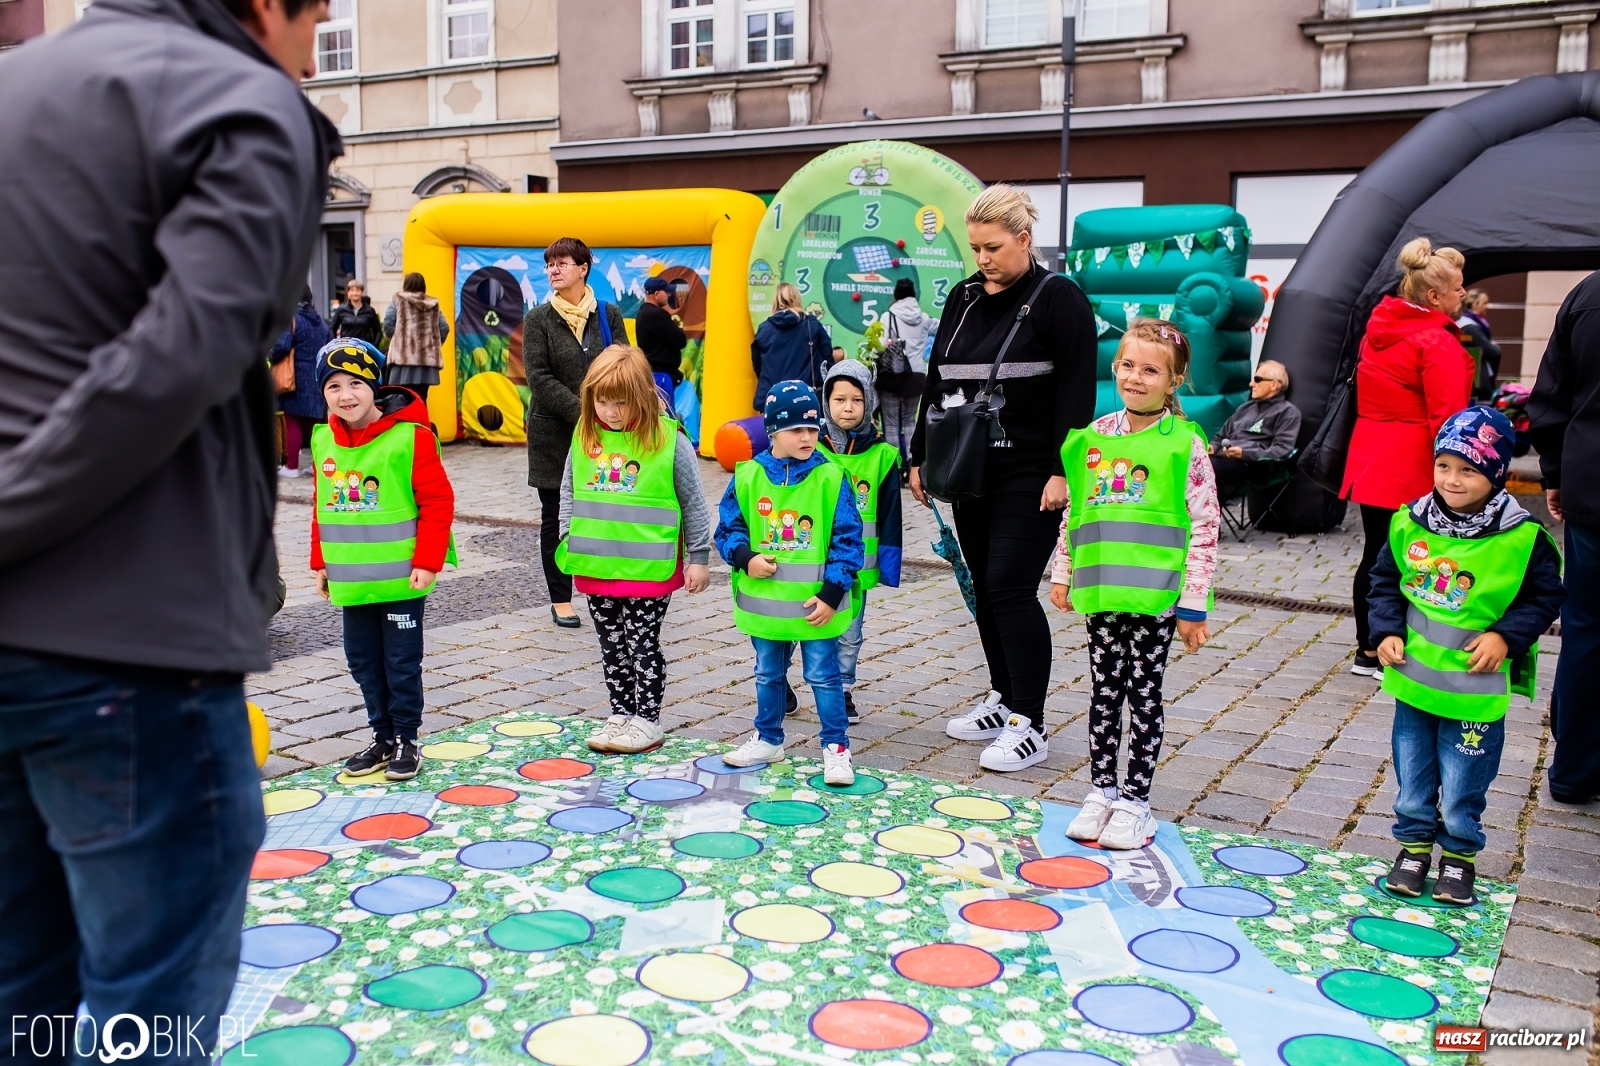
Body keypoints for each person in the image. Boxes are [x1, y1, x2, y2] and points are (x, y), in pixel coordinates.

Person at [0, 0, 340, 1057]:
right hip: (128, 647)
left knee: (24, 995)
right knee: (150, 1013)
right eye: (319, 8)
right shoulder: (242, 102)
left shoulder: (19, 86)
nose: (323, 25)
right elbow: (176, 360)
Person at [908, 184, 1098, 772]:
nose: (983, 259)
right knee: (986, 588)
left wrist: (1062, 470)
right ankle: (1002, 696)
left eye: (993, 247)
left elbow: (1076, 393)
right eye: (975, 248)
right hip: (969, 466)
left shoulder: (1057, 297)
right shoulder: (963, 297)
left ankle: (1030, 723)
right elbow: (937, 379)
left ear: (1024, 239)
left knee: (1012, 587)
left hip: (1030, 470)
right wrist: (918, 454)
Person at [1369, 407, 1563, 903]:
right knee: (1412, 773)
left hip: (1475, 691)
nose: (1452, 480)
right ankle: (1412, 846)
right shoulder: (1409, 524)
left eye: (1469, 469)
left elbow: (1544, 597)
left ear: (1497, 473)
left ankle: (1458, 855)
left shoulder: (1524, 538)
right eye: (1444, 466)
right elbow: (1385, 583)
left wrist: (1506, 636)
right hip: (1414, 683)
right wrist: (1386, 630)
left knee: (1463, 778)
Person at [1049, 321, 1219, 848]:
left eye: (1151, 370)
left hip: (1157, 598)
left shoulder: (1184, 445)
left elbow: (1205, 526)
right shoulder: (1094, 437)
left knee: (1143, 696)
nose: (1136, 377)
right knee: (1103, 694)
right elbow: (1078, 510)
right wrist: (1063, 571)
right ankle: (1101, 791)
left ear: (1174, 381)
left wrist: (1193, 604)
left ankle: (1135, 802)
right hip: (1103, 595)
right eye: (1128, 365)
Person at [311, 339, 456, 783]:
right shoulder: (323, 441)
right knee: (361, 659)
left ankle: (407, 739)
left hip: (401, 579)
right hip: (352, 580)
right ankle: (382, 737)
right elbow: (322, 506)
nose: (345, 395)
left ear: (375, 387)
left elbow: (437, 501)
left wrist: (428, 561)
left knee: (400, 660)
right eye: (333, 386)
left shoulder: (410, 438)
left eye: (356, 383)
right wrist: (321, 563)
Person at [556, 345, 711, 755]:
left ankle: (647, 718)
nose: (609, 411)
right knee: (611, 644)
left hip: (648, 568)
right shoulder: (585, 434)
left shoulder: (668, 440)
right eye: (602, 401)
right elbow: (569, 490)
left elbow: (693, 500)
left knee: (642, 643)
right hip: (596, 562)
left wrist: (699, 558)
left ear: (641, 396)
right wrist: (564, 537)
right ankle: (620, 713)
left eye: (619, 402)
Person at [715, 381, 864, 786]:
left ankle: (835, 747)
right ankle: (768, 738)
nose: (807, 437)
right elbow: (728, 529)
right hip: (766, 610)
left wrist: (832, 593)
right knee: (767, 674)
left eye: (813, 428)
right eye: (796, 429)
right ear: (773, 432)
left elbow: (848, 541)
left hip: (817, 608)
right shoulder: (747, 476)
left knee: (824, 677)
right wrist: (746, 558)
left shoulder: (832, 477)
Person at [1341, 237, 1474, 681]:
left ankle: (1367, 647)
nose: (1464, 294)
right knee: (1415, 557)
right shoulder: (1435, 343)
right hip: (1413, 462)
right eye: (1458, 288)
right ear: (1433, 296)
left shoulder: (1379, 330)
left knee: (1375, 552)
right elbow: (1448, 420)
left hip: (1371, 456)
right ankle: (1395, 648)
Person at [525, 237, 630, 629]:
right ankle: (561, 597)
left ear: (583, 268)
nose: (554, 270)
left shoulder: (608, 313)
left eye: (562, 263)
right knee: (555, 515)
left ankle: (608, 585)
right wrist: (586, 412)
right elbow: (539, 378)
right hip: (554, 435)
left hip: (608, 433)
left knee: (605, 508)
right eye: (549, 265)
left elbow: (624, 364)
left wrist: (610, 414)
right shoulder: (538, 319)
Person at [1529, 268, 1600, 804]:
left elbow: (1550, 396)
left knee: (1587, 630)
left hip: (1592, 484)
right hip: (1587, 486)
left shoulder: (1588, 294)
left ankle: (1575, 769)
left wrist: (1555, 473)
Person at [818, 359, 904, 725]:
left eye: (856, 399)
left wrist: (889, 564)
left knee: (850, 633)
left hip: (856, 570)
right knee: (797, 626)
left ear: (868, 402)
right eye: (839, 399)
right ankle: (780, 684)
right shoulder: (811, 448)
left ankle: (843, 688)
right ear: (826, 402)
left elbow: (890, 514)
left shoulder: (883, 455)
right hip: (810, 563)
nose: (847, 408)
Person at [1208, 359, 1302, 501]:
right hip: (1224, 460)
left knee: (1209, 468)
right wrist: (1213, 447)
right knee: (1191, 463)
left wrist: (1244, 453)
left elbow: (1281, 450)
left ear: (1274, 385)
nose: (1252, 384)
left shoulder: (1288, 412)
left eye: (1257, 379)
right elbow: (1220, 437)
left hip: (1254, 468)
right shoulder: (1245, 408)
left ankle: (1208, 520)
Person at [272, 284, 332, 477]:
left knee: (292, 420)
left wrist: (271, 356)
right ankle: (316, 466)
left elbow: (281, 346)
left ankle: (291, 467)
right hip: (316, 377)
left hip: (295, 377)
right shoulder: (321, 322)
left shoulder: (292, 319)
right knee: (314, 425)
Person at [878, 278, 934, 464]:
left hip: (893, 375)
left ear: (896, 295)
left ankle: (896, 465)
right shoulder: (924, 318)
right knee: (910, 420)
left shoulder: (888, 316)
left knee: (892, 423)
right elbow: (944, 327)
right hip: (917, 376)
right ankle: (912, 463)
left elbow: (881, 344)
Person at [751, 283, 833, 407]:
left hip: (772, 400)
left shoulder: (764, 329)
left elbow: (758, 366)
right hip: (805, 398)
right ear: (797, 299)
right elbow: (827, 362)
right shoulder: (811, 325)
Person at [383, 271, 449, 405]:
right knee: (421, 398)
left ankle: (404, 425)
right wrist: (433, 345)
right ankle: (420, 424)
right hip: (426, 362)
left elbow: (388, 323)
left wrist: (397, 341)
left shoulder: (398, 300)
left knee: (400, 399)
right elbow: (444, 328)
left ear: (406, 285)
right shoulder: (433, 304)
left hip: (402, 361)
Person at [635, 276, 688, 387]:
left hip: (653, 374)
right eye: (666, 292)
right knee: (664, 405)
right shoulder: (656, 315)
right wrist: (668, 312)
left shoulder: (643, 312)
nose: (669, 295)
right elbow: (681, 340)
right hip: (661, 376)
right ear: (657, 294)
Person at [1456, 290, 1501, 401]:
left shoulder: (1465, 325)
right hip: (1477, 381)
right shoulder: (1470, 327)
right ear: (1474, 305)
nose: (1487, 306)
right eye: (1484, 303)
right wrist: (1495, 346)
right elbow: (1492, 351)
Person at [330, 279, 383, 347]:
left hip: (364, 347)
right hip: (346, 346)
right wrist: (335, 344)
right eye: (352, 290)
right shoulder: (341, 309)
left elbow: (378, 331)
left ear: (362, 292)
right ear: (348, 293)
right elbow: (332, 328)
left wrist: (374, 345)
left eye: (357, 290)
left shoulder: (370, 311)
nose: (355, 293)